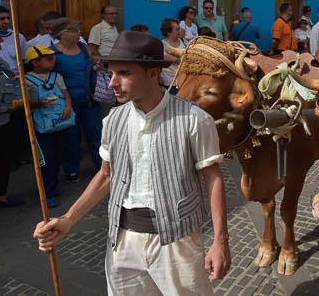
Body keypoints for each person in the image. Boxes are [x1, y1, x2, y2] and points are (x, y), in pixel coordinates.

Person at [33, 31, 231, 293]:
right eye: (111, 73)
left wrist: (220, 242)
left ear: (153, 74)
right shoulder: (113, 120)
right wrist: (68, 219)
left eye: (124, 73)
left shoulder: (194, 119)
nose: (113, 82)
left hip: (177, 242)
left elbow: (213, 178)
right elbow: (106, 175)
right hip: (123, 241)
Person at [50, 18, 102, 182]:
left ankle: (102, 166)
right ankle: (71, 169)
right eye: (75, 31)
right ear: (63, 34)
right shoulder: (52, 53)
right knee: (70, 137)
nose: (79, 33)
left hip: (89, 99)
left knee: (96, 133)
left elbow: (93, 67)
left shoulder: (83, 48)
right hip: (67, 103)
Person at [24, 46, 73, 208]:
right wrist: (39, 103)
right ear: (35, 62)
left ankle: (52, 184)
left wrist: (67, 107)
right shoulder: (26, 80)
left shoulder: (56, 76)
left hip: (59, 122)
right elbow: (24, 104)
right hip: (40, 126)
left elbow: (66, 95)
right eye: (49, 59)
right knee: (46, 158)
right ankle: (47, 192)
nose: (54, 61)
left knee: (59, 153)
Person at [0, 28, 23, 208]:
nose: (0, 43)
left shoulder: (0, 62)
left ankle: (1, 195)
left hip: (3, 116)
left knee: (3, 157)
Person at [0, 5, 28, 73]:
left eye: (8, 18)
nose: (7, 22)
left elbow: (24, 60)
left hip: (15, 77)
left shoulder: (18, 37)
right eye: (2, 19)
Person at [161, 18, 187, 87]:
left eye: (179, 28)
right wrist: (184, 58)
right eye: (177, 29)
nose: (180, 31)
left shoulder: (184, 41)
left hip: (184, 82)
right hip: (170, 84)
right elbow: (169, 59)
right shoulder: (162, 45)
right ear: (169, 32)